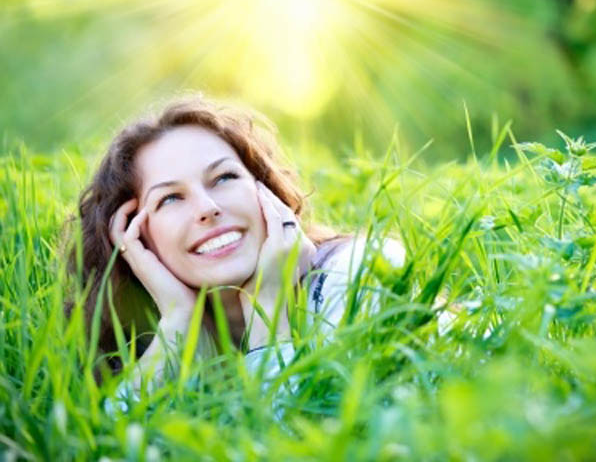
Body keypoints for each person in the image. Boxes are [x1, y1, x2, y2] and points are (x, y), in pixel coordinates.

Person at [65, 97, 405, 405]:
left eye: (223, 178)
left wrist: (266, 308)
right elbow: (104, 445)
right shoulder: (155, 336)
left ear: (266, 193)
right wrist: (178, 319)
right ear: (136, 237)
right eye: (170, 198)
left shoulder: (361, 272)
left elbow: (299, 442)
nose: (208, 207)